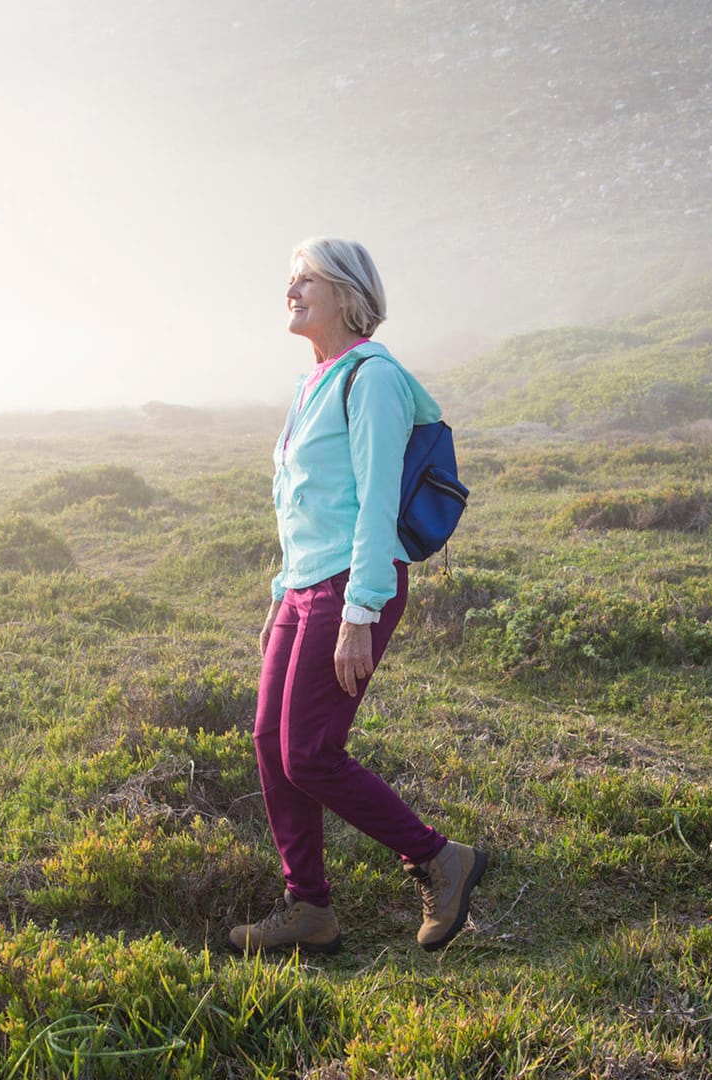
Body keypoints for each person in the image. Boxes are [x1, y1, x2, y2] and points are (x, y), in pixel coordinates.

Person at [229, 236, 487, 954]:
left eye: (305, 278)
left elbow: (375, 503)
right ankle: (308, 907)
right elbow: (304, 505)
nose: (291, 289)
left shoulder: (371, 377)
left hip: (352, 585)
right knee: (270, 745)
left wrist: (361, 612)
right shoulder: (316, 380)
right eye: (289, 278)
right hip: (304, 590)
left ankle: (440, 859)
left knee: (310, 751)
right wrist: (280, 599)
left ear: (347, 293)